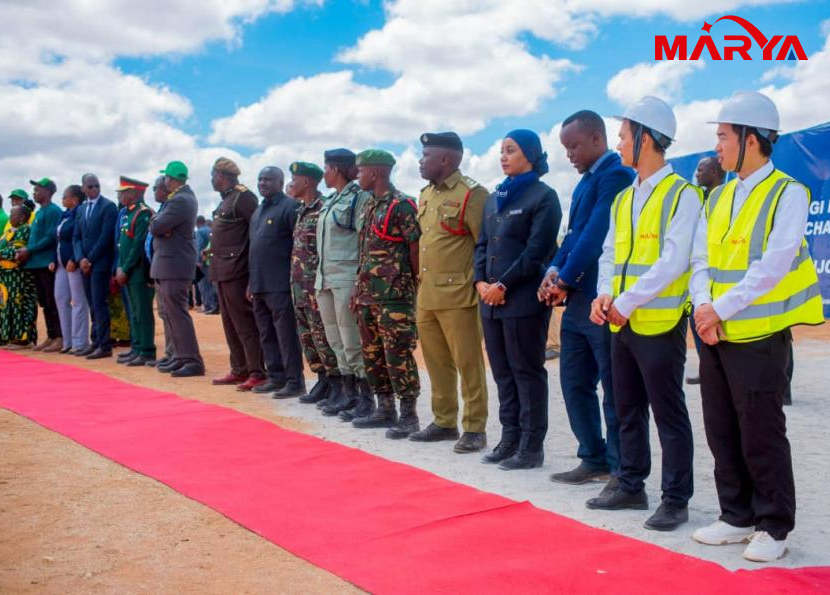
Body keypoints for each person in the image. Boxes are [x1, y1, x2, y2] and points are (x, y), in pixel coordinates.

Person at [690, 92, 824, 562]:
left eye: (724, 136)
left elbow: (772, 266)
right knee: (721, 428)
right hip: (714, 332)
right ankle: (736, 516)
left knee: (761, 431)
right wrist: (704, 307)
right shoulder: (720, 194)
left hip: (759, 336)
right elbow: (700, 259)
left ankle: (773, 525)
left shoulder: (788, 192)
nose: (718, 146)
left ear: (752, 139)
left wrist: (717, 309)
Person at [585, 96, 700, 533]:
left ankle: (676, 500)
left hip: (659, 323)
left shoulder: (682, 195)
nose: (618, 143)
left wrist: (623, 302)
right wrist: (602, 295)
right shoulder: (624, 197)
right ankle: (631, 483)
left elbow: (673, 262)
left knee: (669, 413)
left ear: (646, 138)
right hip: (622, 321)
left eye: (624, 135)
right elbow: (611, 253)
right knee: (626, 406)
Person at [539, 110, 634, 486]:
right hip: (578, 300)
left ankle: (620, 465)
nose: (569, 155)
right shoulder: (583, 182)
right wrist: (553, 270)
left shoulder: (616, 176)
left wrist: (564, 277)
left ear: (598, 139)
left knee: (613, 388)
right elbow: (574, 234)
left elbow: (597, 234)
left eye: (574, 145)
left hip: (603, 300)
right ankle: (592, 457)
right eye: (565, 148)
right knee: (574, 382)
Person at [475, 129, 561, 470]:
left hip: (522, 300)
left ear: (530, 153)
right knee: (502, 372)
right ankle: (509, 437)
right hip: (490, 302)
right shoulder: (495, 197)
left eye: (511, 150)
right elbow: (482, 244)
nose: (504, 156)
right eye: (502, 150)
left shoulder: (544, 197)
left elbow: (536, 251)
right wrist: (481, 281)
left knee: (526, 371)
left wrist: (503, 285)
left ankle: (531, 446)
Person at [408, 131, 490, 453]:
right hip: (427, 295)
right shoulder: (426, 195)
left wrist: (481, 285)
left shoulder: (472, 195)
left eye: (426, 156)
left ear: (446, 159)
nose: (420, 161)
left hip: (459, 296)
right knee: (436, 363)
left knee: (469, 364)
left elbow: (484, 244)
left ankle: (474, 428)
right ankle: (444, 421)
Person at [350, 149, 422, 439]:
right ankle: (385, 408)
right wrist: (358, 288)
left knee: (398, 354)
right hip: (369, 295)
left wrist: (413, 283)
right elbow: (365, 252)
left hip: (394, 296)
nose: (358, 175)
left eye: (361, 170)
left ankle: (409, 415)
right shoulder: (369, 206)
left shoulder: (402, 205)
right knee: (372, 354)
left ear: (375, 173)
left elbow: (415, 247)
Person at [313, 149, 371, 418]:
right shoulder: (330, 201)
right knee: (335, 340)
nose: (323, 174)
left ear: (335, 169)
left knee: (351, 340)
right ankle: (348, 394)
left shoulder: (359, 198)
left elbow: (364, 241)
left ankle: (365, 398)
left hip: (347, 278)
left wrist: (361, 280)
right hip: (325, 279)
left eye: (325, 168)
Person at [208, 157, 266, 391]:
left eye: (213, 175)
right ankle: (239, 367)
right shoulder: (227, 199)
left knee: (244, 323)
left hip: (237, 270)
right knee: (229, 322)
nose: (211, 180)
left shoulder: (244, 197)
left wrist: (252, 274)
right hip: (222, 270)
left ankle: (257, 371)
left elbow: (255, 233)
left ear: (221, 175)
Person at [248, 166, 306, 397]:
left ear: (280, 182)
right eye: (260, 179)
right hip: (260, 284)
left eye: (268, 179)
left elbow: (298, 247)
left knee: (286, 335)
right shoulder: (258, 211)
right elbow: (254, 249)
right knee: (266, 334)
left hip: (281, 285)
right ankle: (276, 376)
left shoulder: (290, 208)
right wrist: (251, 282)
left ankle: (294, 381)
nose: (262, 183)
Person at [288, 162, 342, 408]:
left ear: (307, 182)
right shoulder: (302, 210)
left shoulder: (323, 208)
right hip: (299, 285)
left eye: (295, 179)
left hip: (316, 286)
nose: (291, 183)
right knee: (308, 337)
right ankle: (321, 379)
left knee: (324, 337)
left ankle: (337, 383)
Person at [149, 161, 204, 377]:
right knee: (172, 314)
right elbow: (159, 227)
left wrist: (158, 223)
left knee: (178, 314)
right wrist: (160, 224)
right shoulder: (181, 198)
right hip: (170, 265)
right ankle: (182, 358)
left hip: (174, 265)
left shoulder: (180, 200)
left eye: (166, 179)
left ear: (170, 179)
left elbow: (156, 226)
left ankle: (191, 360)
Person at [686, 156, 726, 385]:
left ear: (715, 172)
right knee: (698, 324)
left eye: (702, 170)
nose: (697, 173)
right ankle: (707, 371)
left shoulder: (725, 198)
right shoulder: (699, 198)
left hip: (718, 277)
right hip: (699, 277)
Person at [73, 173, 118, 359]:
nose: (94, 189)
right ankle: (95, 341)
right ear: (83, 188)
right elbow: (76, 237)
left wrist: (89, 259)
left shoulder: (108, 207)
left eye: (97, 186)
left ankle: (105, 345)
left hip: (99, 263)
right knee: (92, 303)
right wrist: (80, 258)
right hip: (85, 264)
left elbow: (106, 237)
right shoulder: (81, 209)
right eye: (90, 186)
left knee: (100, 303)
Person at [17, 178, 63, 352]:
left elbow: (51, 237)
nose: (34, 193)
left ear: (48, 192)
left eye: (37, 190)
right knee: (44, 301)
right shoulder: (40, 213)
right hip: (35, 263)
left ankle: (59, 336)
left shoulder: (53, 211)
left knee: (52, 300)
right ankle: (51, 336)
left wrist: (29, 250)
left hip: (46, 263)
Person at [114, 177, 156, 367]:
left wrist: (126, 268)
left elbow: (138, 246)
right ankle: (137, 347)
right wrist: (120, 267)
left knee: (143, 312)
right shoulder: (128, 214)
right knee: (134, 312)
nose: (120, 195)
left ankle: (147, 350)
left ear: (135, 193)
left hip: (138, 272)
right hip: (128, 272)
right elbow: (122, 245)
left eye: (124, 192)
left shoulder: (143, 214)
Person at [50, 185, 89, 355]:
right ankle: (67, 340)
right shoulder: (64, 215)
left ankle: (80, 342)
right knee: (60, 298)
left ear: (74, 199)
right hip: (60, 262)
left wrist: (74, 258)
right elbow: (57, 240)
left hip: (72, 262)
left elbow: (79, 238)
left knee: (78, 301)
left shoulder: (79, 213)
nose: (62, 200)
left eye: (65, 197)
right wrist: (53, 260)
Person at [146, 176, 175, 367]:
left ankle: (175, 354)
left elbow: (157, 227)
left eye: (157, 188)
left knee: (172, 314)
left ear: (165, 190)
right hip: (157, 266)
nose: (155, 191)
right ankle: (170, 353)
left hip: (169, 268)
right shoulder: (161, 210)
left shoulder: (171, 208)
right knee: (164, 313)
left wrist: (156, 223)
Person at [1, 205, 38, 349]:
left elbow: (16, 252)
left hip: (18, 276)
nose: (10, 217)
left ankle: (21, 339)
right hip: (6, 276)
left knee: (18, 305)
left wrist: (2, 254)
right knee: (6, 306)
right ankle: (7, 336)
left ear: (22, 217)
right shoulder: (9, 231)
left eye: (13, 214)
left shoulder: (25, 230)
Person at [196, 216, 217, 314]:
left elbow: (199, 246)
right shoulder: (211, 229)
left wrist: (199, 261)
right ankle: (214, 305)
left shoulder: (199, 232)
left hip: (204, 261)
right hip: (213, 261)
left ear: (197, 223)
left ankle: (208, 306)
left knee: (204, 285)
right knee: (212, 284)